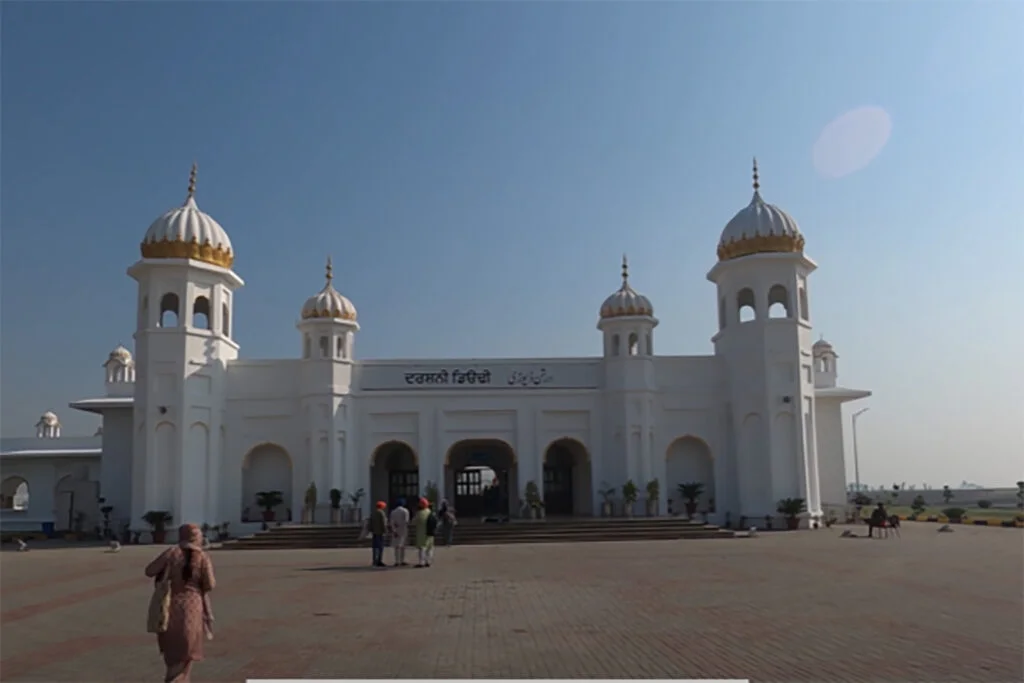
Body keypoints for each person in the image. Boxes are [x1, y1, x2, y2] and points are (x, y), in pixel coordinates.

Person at [144, 523, 216, 683]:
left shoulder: (171, 553)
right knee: (185, 660)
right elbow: (210, 584)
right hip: (193, 608)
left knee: (173, 659)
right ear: (197, 537)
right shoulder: (202, 557)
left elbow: (149, 571)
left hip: (168, 608)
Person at [413, 497, 438, 568]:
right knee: (430, 548)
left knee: (422, 548)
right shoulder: (431, 512)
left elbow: (414, 522)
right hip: (430, 533)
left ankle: (421, 562)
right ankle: (428, 561)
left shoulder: (419, 513)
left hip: (421, 533)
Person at [389, 498, 411, 566]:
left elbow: (391, 522)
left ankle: (397, 561)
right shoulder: (405, 511)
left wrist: (394, 530)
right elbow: (407, 521)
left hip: (396, 529)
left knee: (396, 546)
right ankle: (402, 560)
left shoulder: (393, 511)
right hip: (403, 529)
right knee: (403, 546)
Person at [369, 501, 388, 567]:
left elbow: (370, 522)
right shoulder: (381, 513)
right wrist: (385, 530)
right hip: (380, 532)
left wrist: (371, 529)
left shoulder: (373, 513)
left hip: (374, 532)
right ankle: (379, 560)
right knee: (380, 547)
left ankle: (375, 560)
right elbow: (383, 523)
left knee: (375, 547)